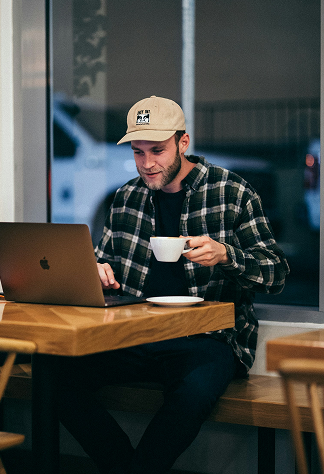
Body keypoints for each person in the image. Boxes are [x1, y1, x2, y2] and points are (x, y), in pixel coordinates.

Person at [58, 95, 290, 474]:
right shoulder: (126, 198)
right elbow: (105, 262)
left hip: (208, 338)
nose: (147, 164)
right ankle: (124, 467)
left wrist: (227, 255)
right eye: (137, 152)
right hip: (135, 334)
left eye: (157, 150)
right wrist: (98, 271)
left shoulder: (231, 192)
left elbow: (276, 272)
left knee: (195, 391)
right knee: (53, 374)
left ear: (183, 143)